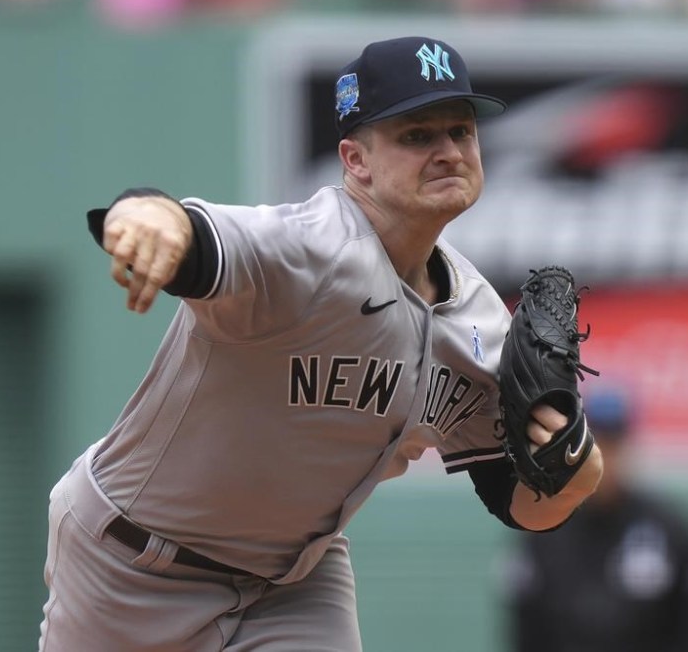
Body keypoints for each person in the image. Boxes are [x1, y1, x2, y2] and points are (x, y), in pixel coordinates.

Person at [37, 36, 604, 652]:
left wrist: (576, 473)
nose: (448, 151)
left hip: (293, 582)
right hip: (131, 563)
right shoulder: (309, 249)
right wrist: (149, 217)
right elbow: (195, 233)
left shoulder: (480, 320)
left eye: (460, 132)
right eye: (417, 135)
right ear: (356, 160)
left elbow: (517, 502)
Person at [502, 385, 688, 652]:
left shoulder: (669, 529)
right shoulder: (545, 531)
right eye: (594, 444)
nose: (605, 457)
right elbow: (525, 629)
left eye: (613, 443)